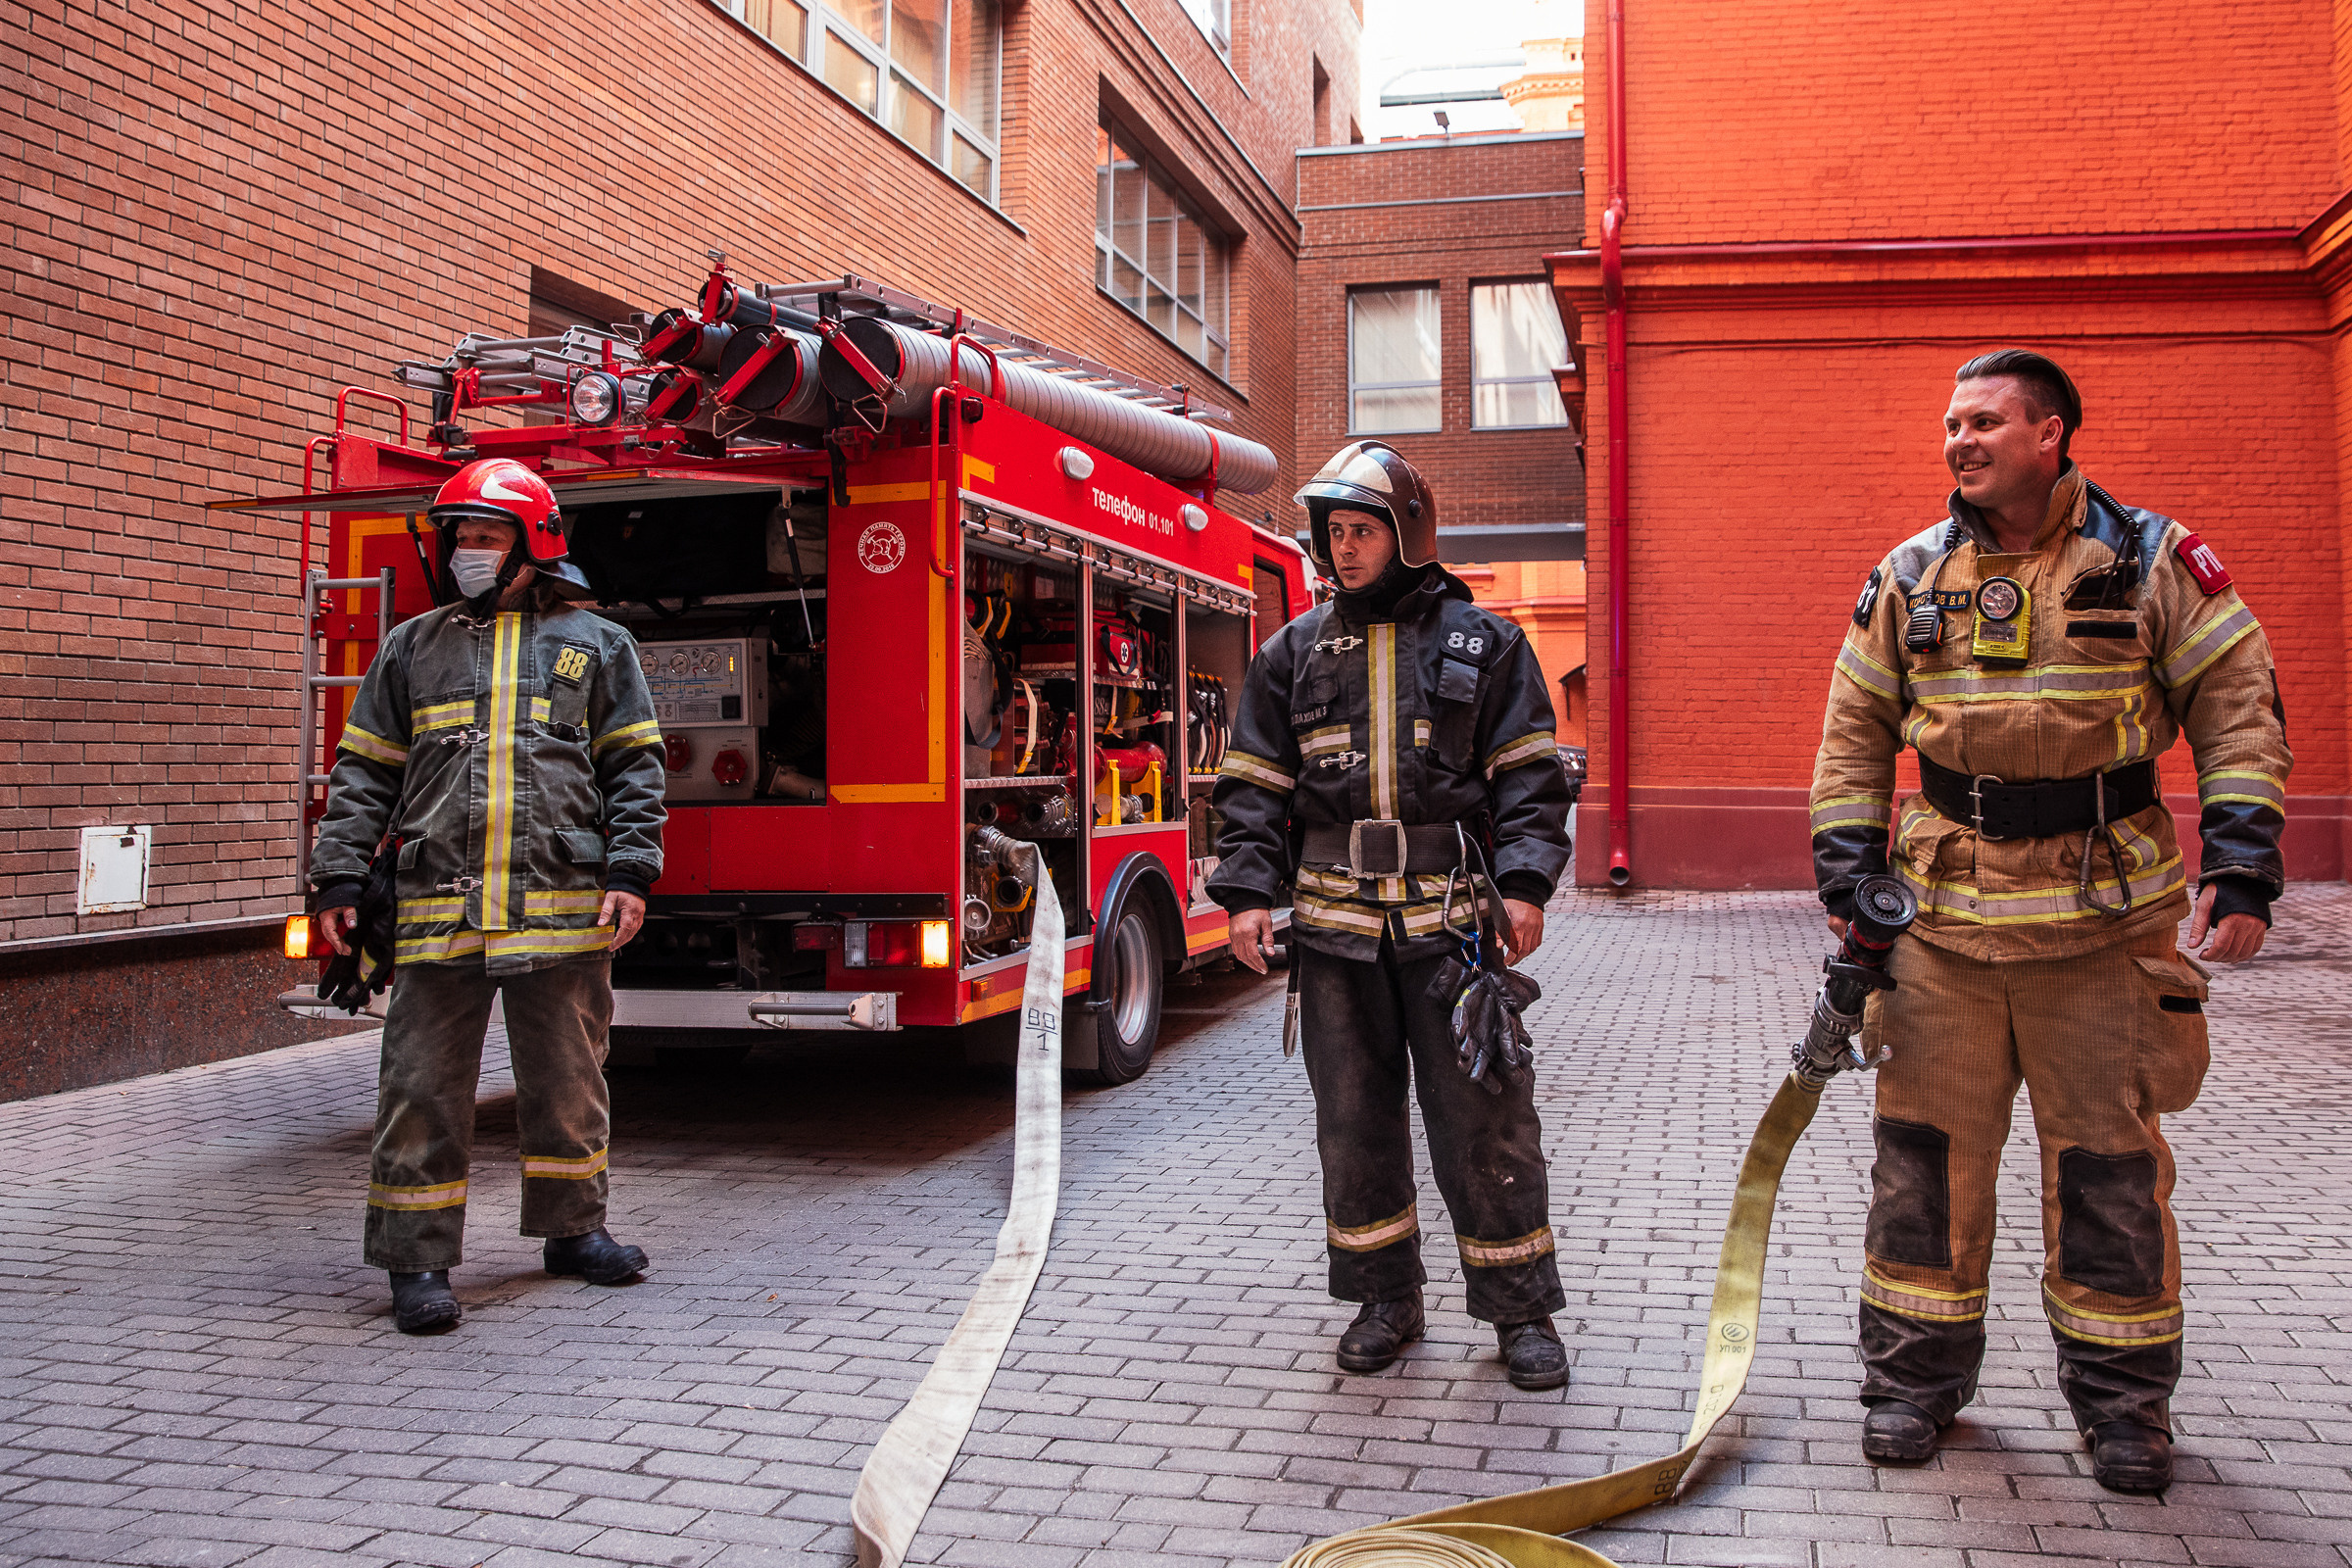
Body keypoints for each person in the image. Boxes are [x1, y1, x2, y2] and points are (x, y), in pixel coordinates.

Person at [1812, 350, 2291, 1492]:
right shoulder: (1911, 572)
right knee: (1922, 1168)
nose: (1959, 441)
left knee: (2111, 1176)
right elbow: (1853, 729)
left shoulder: (2153, 562)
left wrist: (2246, 862)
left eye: (1984, 421)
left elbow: (2237, 705)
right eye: (1950, 424)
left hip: (2103, 931)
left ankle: (2125, 1409)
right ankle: (1911, 1387)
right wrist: (1848, 872)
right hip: (1941, 936)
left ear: (2051, 436)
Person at [1209, 441, 1576, 1390]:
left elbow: (1531, 780)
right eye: (1334, 535)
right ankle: (1385, 1300)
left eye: (1362, 531)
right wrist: (1249, 896)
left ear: (1408, 533)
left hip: (1450, 928)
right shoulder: (1292, 650)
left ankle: (1520, 1312)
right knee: (1355, 1123)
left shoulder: (1484, 643)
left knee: (1486, 1123)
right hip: (1333, 935)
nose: (1345, 550)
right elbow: (1251, 785)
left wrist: (1527, 885)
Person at [313, 458, 667, 1334]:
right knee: (421, 1087)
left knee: (569, 1080)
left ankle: (574, 1231)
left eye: (487, 534)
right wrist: (339, 873)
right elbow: (363, 771)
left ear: (533, 542)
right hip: (440, 908)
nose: (468, 550)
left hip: (562, 906)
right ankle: (416, 1261)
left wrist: (630, 873)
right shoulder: (414, 645)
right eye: (460, 535)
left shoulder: (597, 646)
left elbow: (634, 769)